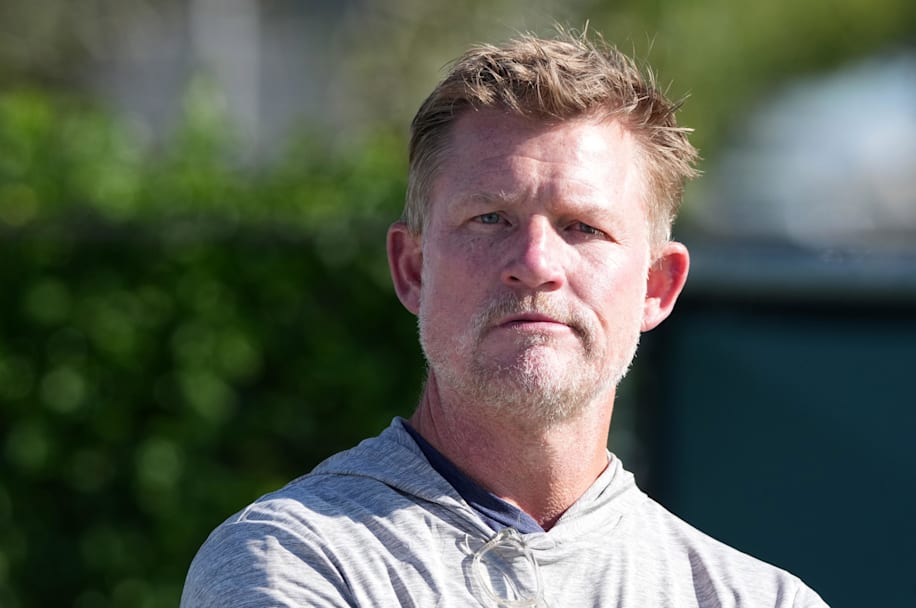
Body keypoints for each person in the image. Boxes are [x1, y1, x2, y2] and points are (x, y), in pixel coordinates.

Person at [181, 28, 829, 608]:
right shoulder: (293, 563)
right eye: (490, 218)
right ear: (412, 268)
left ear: (658, 287)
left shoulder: (758, 597)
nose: (535, 262)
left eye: (584, 227)